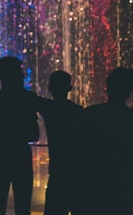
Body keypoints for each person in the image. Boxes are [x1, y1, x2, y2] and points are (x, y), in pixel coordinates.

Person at [72, 66, 133, 215]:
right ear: (130, 90)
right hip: (127, 187)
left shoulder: (90, 115)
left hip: (94, 187)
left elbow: (76, 150)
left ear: (107, 87)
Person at [0, 56, 40, 215]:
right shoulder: (28, 99)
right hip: (21, 156)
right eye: (19, 72)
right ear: (11, 74)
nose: (23, 76)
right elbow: (34, 134)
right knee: (23, 207)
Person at [35, 70, 84, 215]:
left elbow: (28, 98)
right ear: (70, 88)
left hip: (57, 172)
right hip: (77, 172)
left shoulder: (49, 108)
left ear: (50, 88)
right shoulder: (79, 112)